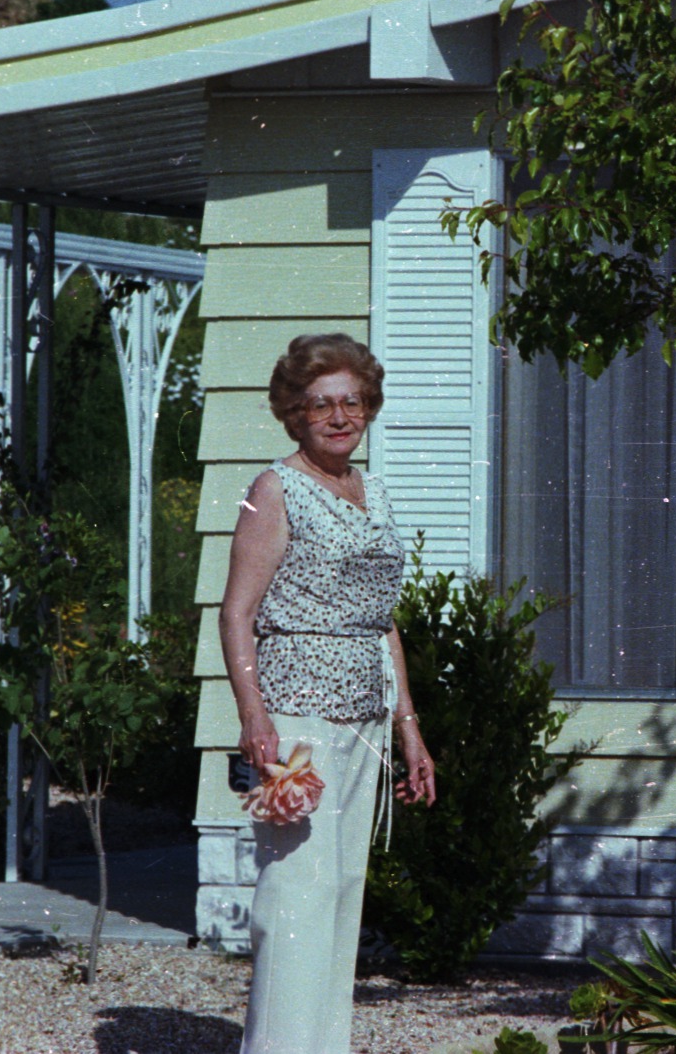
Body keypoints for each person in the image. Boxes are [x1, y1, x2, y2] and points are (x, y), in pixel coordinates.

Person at [220, 332, 437, 1054]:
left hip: (365, 718)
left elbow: (383, 621)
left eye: (352, 402)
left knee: (343, 891)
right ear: (295, 413)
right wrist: (254, 721)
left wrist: (409, 728)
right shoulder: (272, 490)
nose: (340, 416)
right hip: (293, 718)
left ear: (368, 407)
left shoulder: (376, 492)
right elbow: (237, 613)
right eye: (322, 405)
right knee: (293, 897)